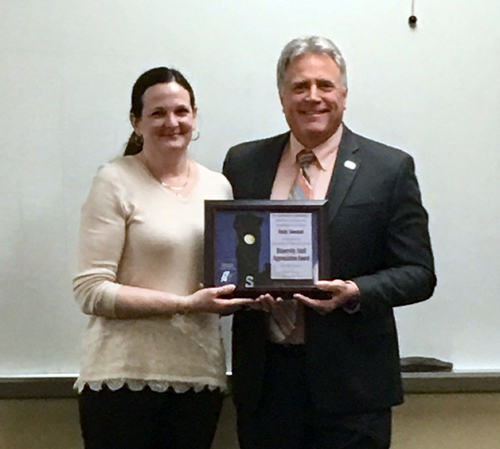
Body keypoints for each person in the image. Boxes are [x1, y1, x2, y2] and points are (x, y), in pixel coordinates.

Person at [223, 36, 436, 449]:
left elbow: (419, 274)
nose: (313, 97)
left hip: (353, 389)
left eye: (325, 85)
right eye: (300, 87)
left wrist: (355, 291)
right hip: (266, 385)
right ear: (283, 97)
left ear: (344, 95)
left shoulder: (388, 169)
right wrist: (240, 291)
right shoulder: (243, 163)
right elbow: (233, 255)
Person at [73, 67, 252, 449]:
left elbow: (223, 281)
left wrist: (254, 292)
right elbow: (90, 291)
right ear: (136, 122)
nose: (172, 122)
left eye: (181, 111)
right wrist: (185, 304)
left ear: (194, 115)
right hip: (122, 379)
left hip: (199, 377)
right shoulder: (114, 180)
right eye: (157, 113)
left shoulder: (218, 186)